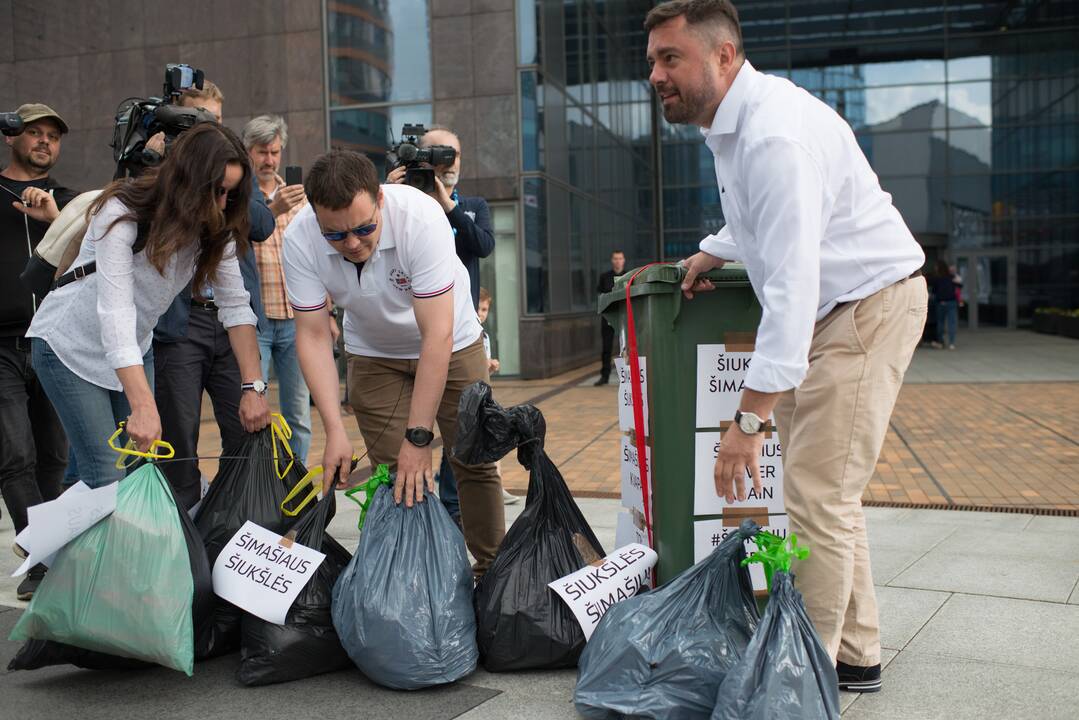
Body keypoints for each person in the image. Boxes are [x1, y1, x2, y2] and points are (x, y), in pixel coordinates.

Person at [647, 0, 926, 694]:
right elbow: (757, 223)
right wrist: (711, 252)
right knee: (825, 494)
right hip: (836, 313)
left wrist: (747, 419)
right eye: (651, 60)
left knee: (814, 495)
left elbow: (793, 282)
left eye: (669, 58)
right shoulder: (734, 128)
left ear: (722, 55)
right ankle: (854, 654)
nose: (654, 74)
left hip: (862, 309)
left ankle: (806, 675)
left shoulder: (773, 135)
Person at [283, 150, 506, 576]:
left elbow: (436, 336)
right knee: (394, 473)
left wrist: (420, 437)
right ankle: (419, 577)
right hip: (373, 353)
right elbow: (312, 335)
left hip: (452, 345)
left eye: (364, 228)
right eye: (336, 234)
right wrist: (333, 430)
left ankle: (493, 570)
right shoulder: (299, 239)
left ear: (381, 198)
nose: (352, 243)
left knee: (473, 458)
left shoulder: (420, 218)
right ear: (315, 217)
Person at [27, 123, 271, 496]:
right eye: (217, 191)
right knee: (107, 474)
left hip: (132, 351)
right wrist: (143, 405)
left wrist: (253, 387)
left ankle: (85, 547)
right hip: (69, 347)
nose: (224, 203)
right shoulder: (121, 210)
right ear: (189, 182)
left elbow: (237, 307)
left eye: (231, 194)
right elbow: (116, 312)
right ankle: (54, 547)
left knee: (142, 473)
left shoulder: (214, 230)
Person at [150, 83, 277, 510]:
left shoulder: (235, 170)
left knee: (248, 430)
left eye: (217, 121)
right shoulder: (162, 166)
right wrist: (160, 163)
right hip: (178, 323)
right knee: (178, 438)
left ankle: (229, 521)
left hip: (229, 319)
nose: (212, 131)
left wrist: (229, 192)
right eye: (199, 119)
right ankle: (184, 540)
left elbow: (260, 225)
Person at [387, 126, 514, 509]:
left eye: (453, 155)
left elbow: (484, 246)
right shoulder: (399, 203)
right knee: (416, 424)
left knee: (465, 427)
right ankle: (418, 506)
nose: (448, 163)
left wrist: (448, 205)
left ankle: (455, 503)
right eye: (438, 155)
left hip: (460, 333)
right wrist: (389, 193)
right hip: (406, 331)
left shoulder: (472, 203)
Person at [1, 103, 77, 600]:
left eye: (53, 134)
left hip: (55, 340)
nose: (45, 141)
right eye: (34, 132)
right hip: (1, 345)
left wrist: (55, 220)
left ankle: (56, 559)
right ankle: (41, 559)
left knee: (55, 457)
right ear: (13, 137)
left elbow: (85, 260)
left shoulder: (70, 201)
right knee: (15, 456)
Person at [243, 114, 331, 464]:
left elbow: (318, 255)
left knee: (298, 413)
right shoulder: (240, 196)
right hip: (256, 321)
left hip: (297, 319)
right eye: (262, 152)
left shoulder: (300, 198)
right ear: (248, 152)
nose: (269, 160)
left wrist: (329, 310)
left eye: (275, 152)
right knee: (255, 410)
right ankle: (262, 486)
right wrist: (271, 209)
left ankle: (297, 489)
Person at [594, 250, 625, 386]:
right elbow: (601, 295)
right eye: (615, 258)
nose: (618, 261)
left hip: (624, 315)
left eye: (620, 258)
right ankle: (604, 376)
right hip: (608, 316)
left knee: (626, 347)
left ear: (624, 260)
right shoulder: (604, 277)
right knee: (607, 347)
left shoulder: (628, 276)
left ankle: (626, 375)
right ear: (612, 260)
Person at [929, 260, 960, 350]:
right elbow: (960, 284)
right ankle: (951, 343)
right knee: (951, 323)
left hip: (941, 302)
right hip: (951, 302)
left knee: (940, 322)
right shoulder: (951, 277)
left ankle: (940, 341)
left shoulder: (937, 278)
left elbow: (934, 291)